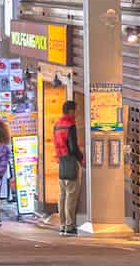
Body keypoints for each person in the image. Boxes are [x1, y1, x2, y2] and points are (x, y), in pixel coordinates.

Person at [54, 100, 84, 236]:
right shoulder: (70, 125)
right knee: (71, 195)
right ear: (71, 111)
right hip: (71, 162)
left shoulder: (57, 125)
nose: (76, 113)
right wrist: (81, 157)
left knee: (62, 195)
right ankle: (69, 226)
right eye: (76, 110)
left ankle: (62, 225)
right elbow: (73, 147)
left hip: (61, 162)